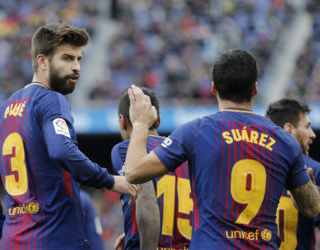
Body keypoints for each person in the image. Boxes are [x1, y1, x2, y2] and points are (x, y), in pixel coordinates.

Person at [123, 49, 320, 249]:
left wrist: (140, 124)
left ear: (214, 88)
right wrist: (307, 189)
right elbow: (312, 208)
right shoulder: (285, 141)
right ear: (255, 89)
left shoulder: (197, 131)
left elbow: (133, 172)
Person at [0, 23, 138, 250]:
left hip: (15, 242)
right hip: (55, 238)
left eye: (79, 59)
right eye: (67, 59)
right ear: (42, 61)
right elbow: (61, 150)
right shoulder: (51, 100)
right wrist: (109, 180)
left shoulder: (2, 111)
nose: (77, 67)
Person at [112, 88, 192, 250]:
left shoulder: (124, 150)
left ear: (122, 121)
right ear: (158, 120)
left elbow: (146, 201)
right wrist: (132, 232)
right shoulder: (184, 154)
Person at [266, 98, 320, 249]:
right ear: (289, 128)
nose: (313, 134)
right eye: (307, 127)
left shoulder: (254, 165)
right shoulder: (313, 170)